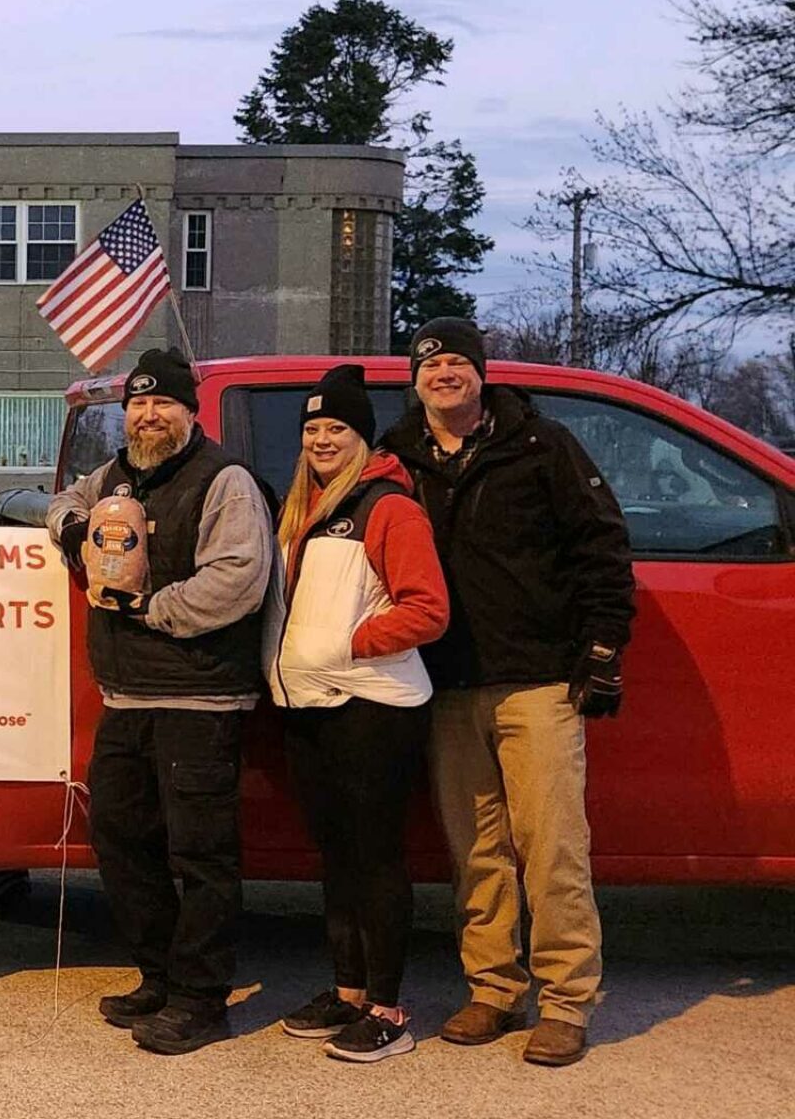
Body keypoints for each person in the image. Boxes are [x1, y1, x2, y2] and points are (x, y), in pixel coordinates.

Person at [381, 318, 635, 1067]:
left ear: (482, 374)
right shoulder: (399, 457)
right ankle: (492, 989)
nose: (446, 373)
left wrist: (601, 649)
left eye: (460, 361)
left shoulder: (541, 445)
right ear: (416, 379)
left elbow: (602, 547)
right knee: (477, 852)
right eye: (433, 363)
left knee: (553, 848)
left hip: (539, 682)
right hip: (447, 684)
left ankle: (565, 1002)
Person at [45, 346, 272, 1056]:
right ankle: (159, 974)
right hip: (128, 696)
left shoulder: (223, 481)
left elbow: (238, 578)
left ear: (188, 411)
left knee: (200, 853)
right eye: (138, 404)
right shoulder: (114, 477)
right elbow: (61, 506)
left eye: (162, 403)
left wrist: (151, 606)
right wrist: (75, 531)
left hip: (200, 697)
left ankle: (202, 999)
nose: (148, 414)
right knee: (119, 838)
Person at [265, 364, 449, 1063]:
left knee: (375, 860)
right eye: (312, 428)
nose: (320, 439)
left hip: (373, 706)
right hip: (310, 705)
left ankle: (388, 1008)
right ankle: (346, 993)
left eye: (336, 427)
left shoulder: (387, 508)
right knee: (336, 857)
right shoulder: (299, 511)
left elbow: (427, 609)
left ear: (362, 437)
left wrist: (348, 644)